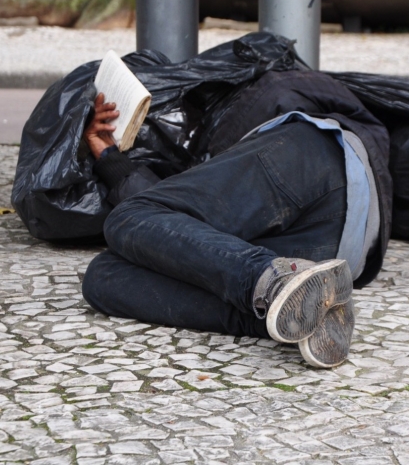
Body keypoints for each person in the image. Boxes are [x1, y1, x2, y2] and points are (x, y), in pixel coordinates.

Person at [81, 70, 392, 369]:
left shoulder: (223, 111)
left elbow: (149, 214)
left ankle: (273, 281)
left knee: (128, 216)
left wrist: (111, 160)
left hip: (316, 159)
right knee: (102, 277)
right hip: (342, 253)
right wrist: (109, 157)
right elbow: (167, 230)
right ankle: (299, 315)